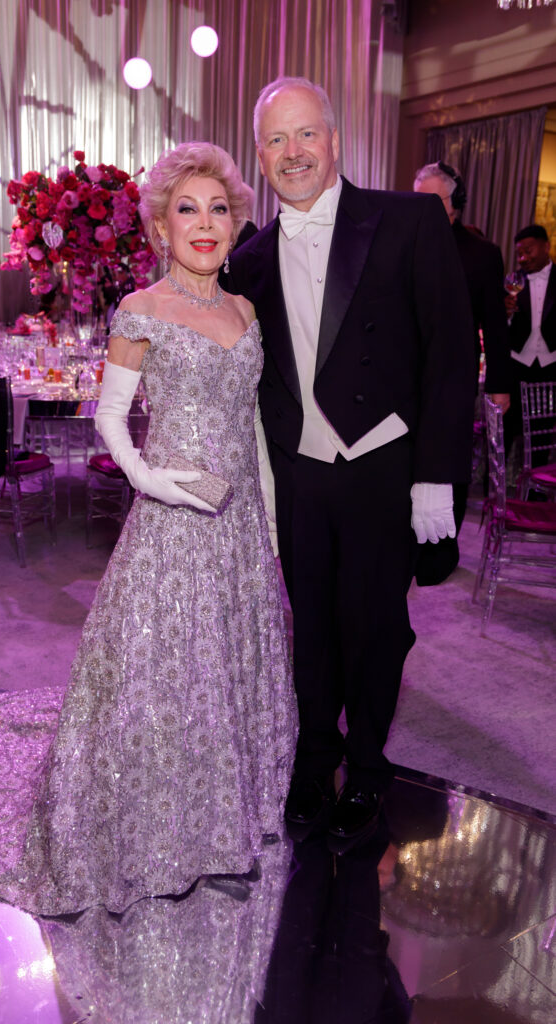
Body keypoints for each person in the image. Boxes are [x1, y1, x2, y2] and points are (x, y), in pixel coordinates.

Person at [0, 142, 298, 916]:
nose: (204, 224)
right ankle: (163, 832)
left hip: (239, 530)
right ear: (162, 226)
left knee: (231, 669)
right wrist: (150, 480)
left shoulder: (246, 311)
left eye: (218, 208)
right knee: (171, 677)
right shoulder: (140, 309)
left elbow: (254, 427)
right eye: (186, 210)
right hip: (172, 522)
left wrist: (267, 523)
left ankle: (225, 822)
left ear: (236, 221)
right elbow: (109, 418)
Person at [226, 77, 475, 842]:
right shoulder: (251, 257)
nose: (292, 153)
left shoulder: (405, 220)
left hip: (380, 468)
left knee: (374, 628)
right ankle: (312, 761)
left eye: (306, 135)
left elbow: (446, 356)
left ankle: (366, 769)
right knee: (312, 631)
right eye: (276, 139)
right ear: (260, 155)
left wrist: (435, 474)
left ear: (333, 140)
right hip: (300, 475)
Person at [412, 161, 512, 584]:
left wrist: (501, 384)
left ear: (456, 205)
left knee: (447, 459)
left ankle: (439, 555)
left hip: (456, 374)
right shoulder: (401, 243)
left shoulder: (481, 254)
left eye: (432, 200)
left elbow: (494, 322)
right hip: (404, 373)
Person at [503, 223, 556, 464]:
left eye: (529, 250)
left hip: (550, 368)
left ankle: (536, 497)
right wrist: (506, 314)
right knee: (505, 434)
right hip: (516, 367)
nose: (523, 258)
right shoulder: (511, 282)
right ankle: (495, 494)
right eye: (519, 253)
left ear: (546, 246)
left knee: (541, 438)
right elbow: (498, 329)